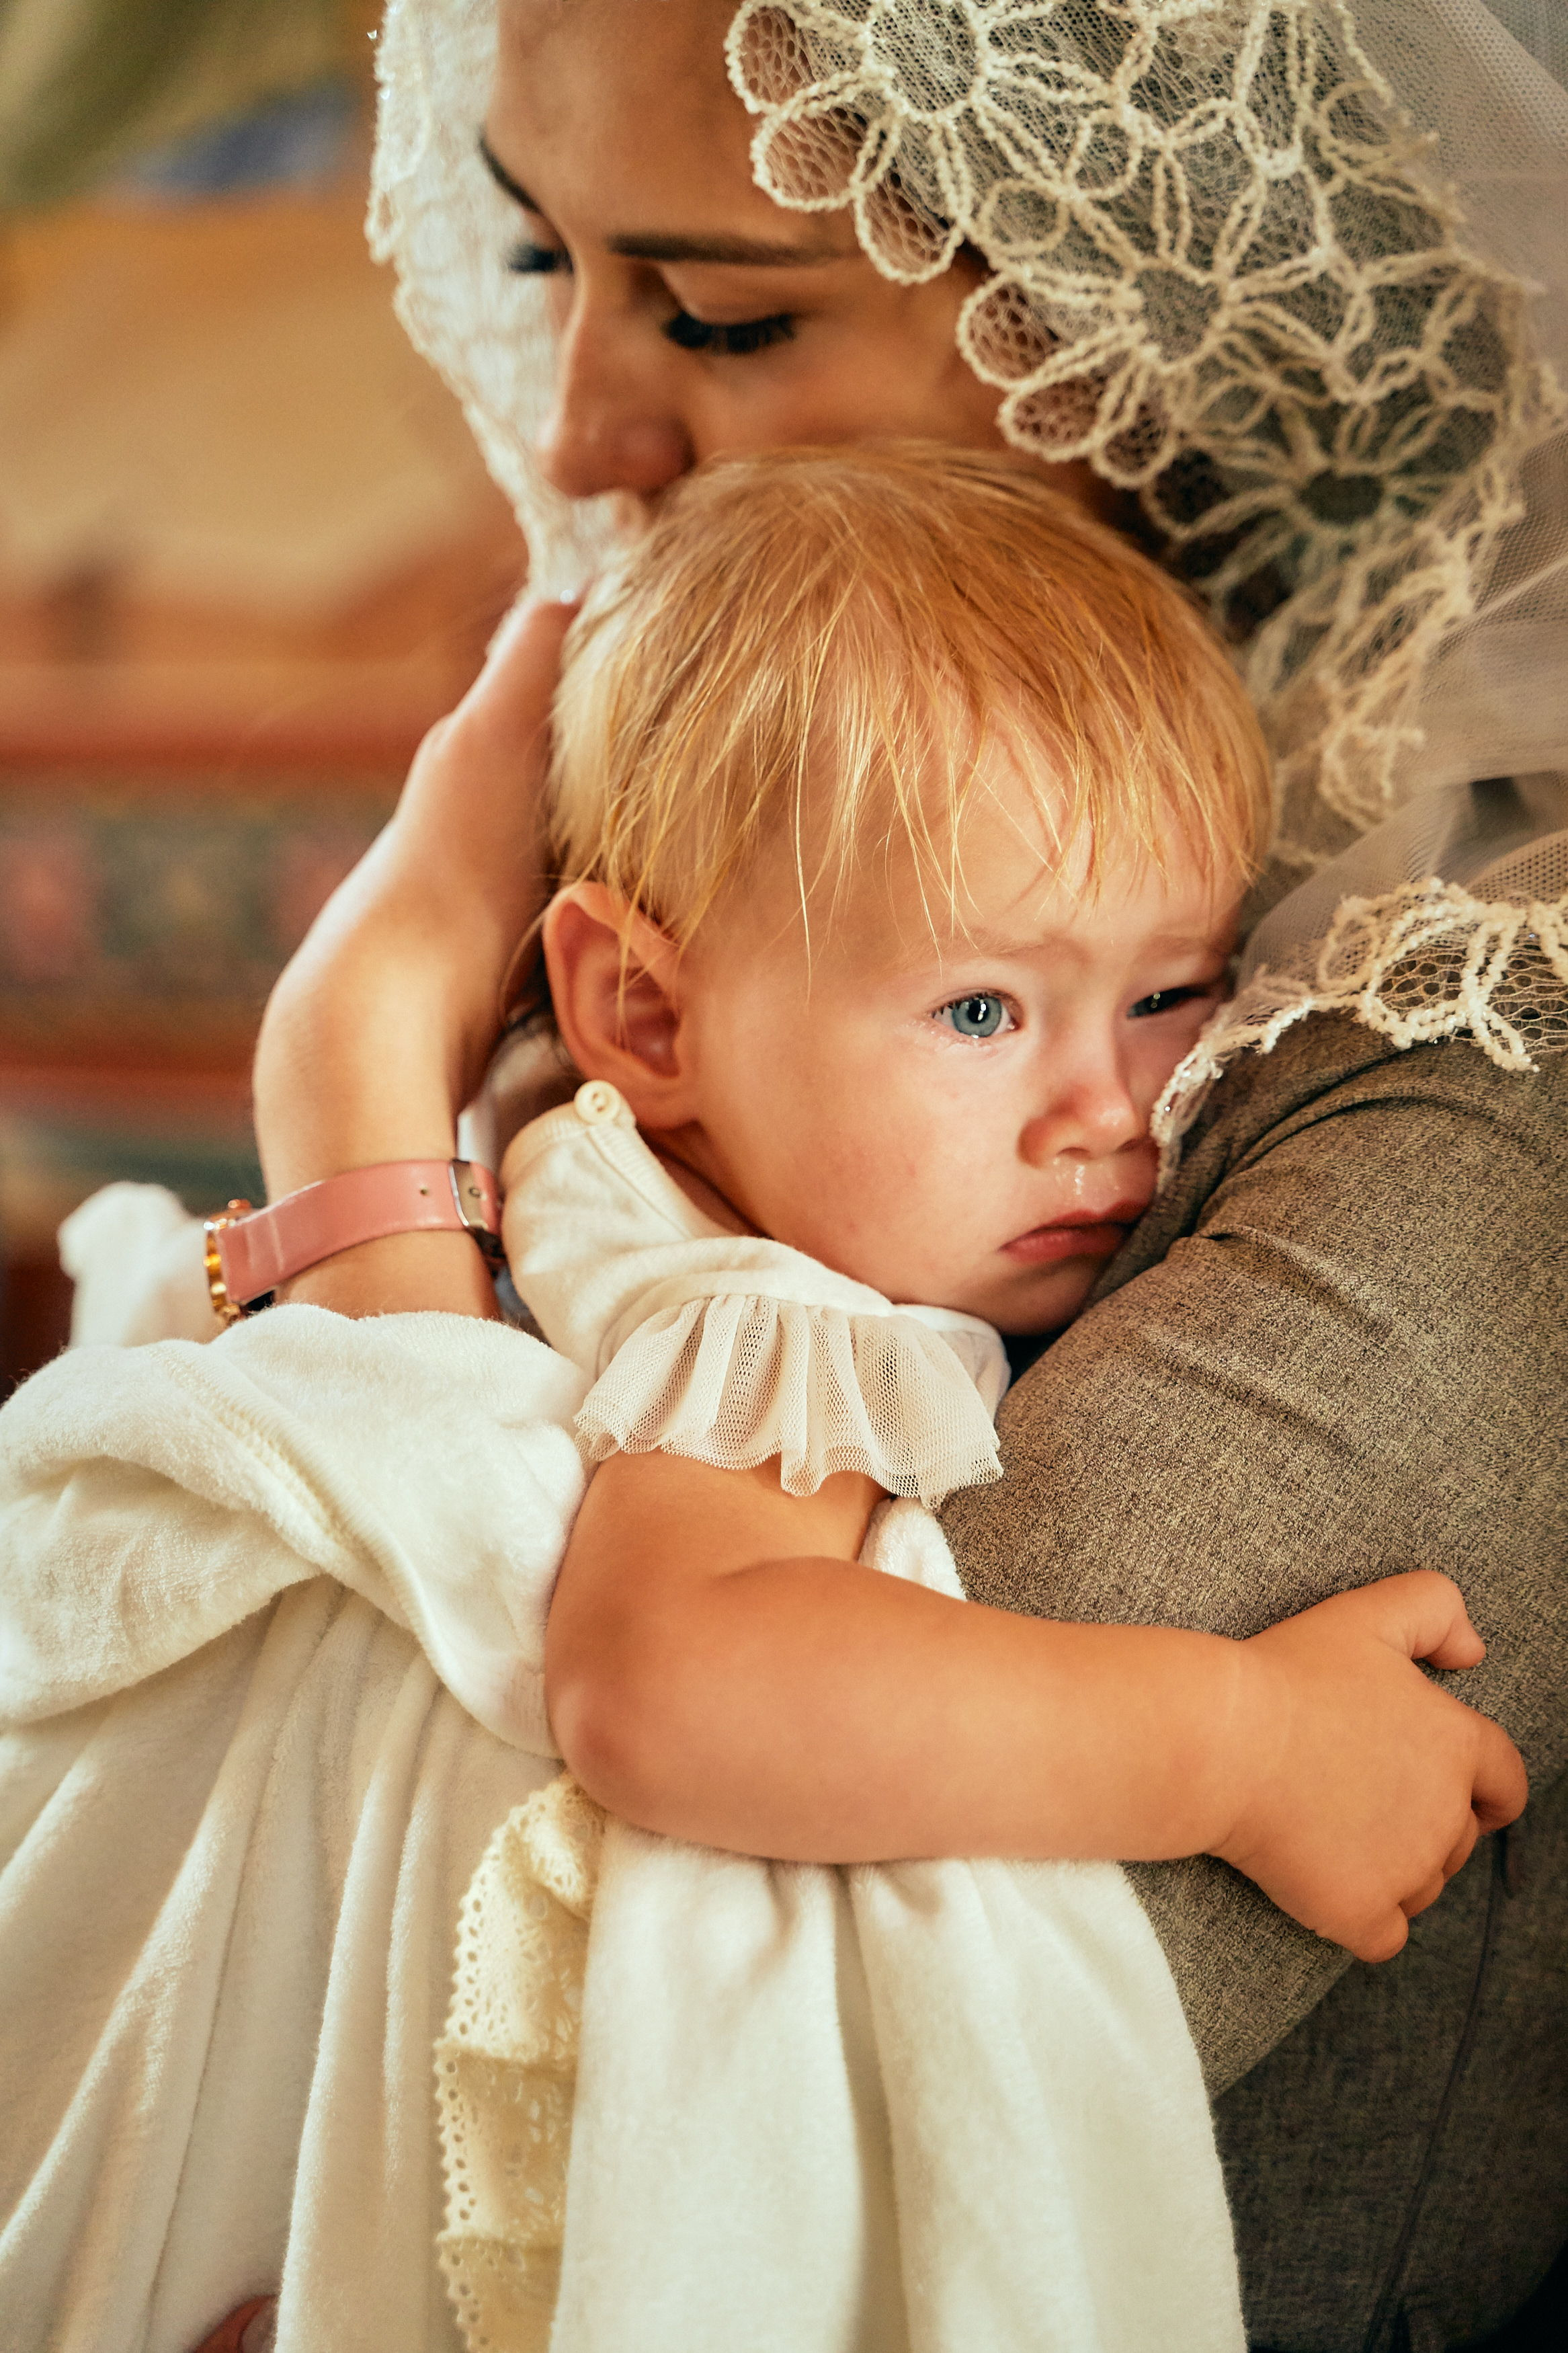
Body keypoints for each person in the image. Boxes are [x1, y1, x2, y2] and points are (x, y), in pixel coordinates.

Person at [3, 2, 1565, 2348]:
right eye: (550, 267)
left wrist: (359, 1106)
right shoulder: (763, 1246)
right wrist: (1233, 1734)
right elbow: (597, 1782)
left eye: (725, 308)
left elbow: (606, 1954)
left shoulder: (1450, 1102)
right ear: (647, 1001)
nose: (578, 433)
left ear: (1127, 293)